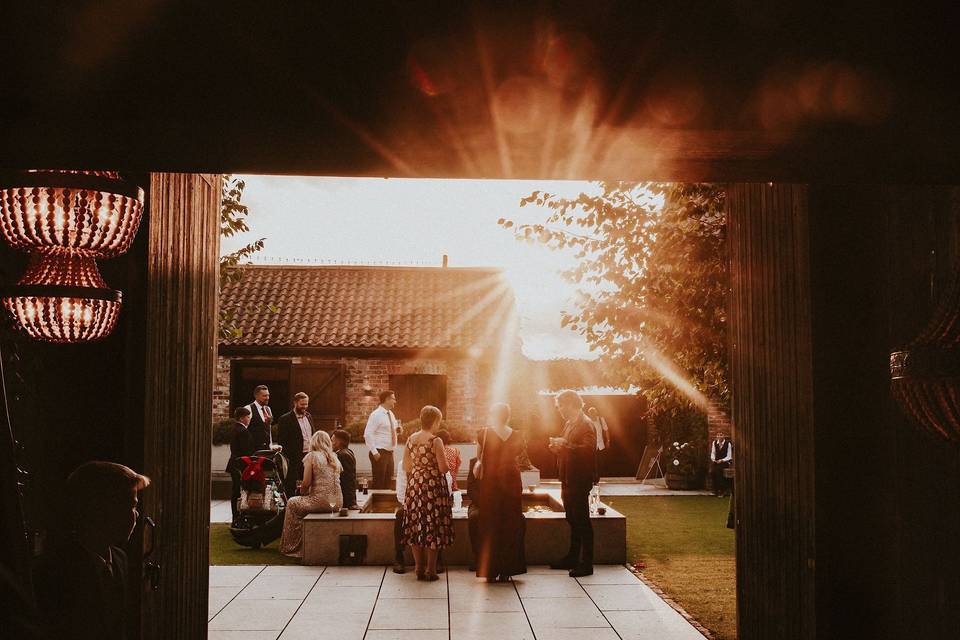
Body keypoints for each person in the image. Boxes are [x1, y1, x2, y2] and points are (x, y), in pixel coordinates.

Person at [34, 461, 151, 640]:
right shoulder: (56, 570)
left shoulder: (119, 560)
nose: (135, 515)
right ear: (100, 509)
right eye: (130, 506)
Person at [473, 403, 528, 582]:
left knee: (490, 523)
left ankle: (490, 569)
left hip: (491, 480)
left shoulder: (484, 433)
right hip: (511, 479)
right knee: (511, 522)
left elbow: (478, 458)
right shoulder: (518, 435)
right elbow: (518, 455)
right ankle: (508, 568)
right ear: (508, 416)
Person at [401, 405, 453, 581]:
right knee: (433, 523)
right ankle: (431, 569)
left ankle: (418, 568)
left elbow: (405, 466)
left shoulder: (411, 439)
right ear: (436, 421)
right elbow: (443, 467)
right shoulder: (435, 440)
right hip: (433, 487)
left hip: (415, 485)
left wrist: (418, 469)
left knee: (416, 523)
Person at [548, 390, 597, 577]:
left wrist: (564, 445)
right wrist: (557, 448)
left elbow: (587, 450)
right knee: (572, 518)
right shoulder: (570, 424)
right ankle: (572, 557)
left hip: (579, 478)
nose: (559, 409)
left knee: (582, 521)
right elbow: (568, 449)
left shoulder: (586, 424)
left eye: (560, 406)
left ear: (570, 404)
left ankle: (587, 564)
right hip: (567, 477)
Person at [280, 430, 343, 557]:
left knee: (292, 503)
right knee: (298, 503)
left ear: (314, 442)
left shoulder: (312, 456)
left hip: (320, 501)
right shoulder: (334, 457)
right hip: (337, 502)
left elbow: (306, 483)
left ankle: (291, 546)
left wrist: (302, 492)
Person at [278, 392, 315, 498]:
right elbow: (282, 441)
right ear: (295, 403)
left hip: (309, 455)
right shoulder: (285, 419)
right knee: (291, 484)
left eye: (306, 404)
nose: (304, 407)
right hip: (294, 458)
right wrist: (290, 457)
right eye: (302, 404)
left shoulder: (309, 416)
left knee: (308, 482)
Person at [226, 406, 256, 524]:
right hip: (241, 465)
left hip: (234, 463)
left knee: (235, 491)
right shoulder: (243, 431)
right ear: (242, 418)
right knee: (241, 491)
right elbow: (246, 450)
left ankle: (235, 515)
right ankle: (240, 516)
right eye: (248, 417)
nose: (249, 419)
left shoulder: (234, 428)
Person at [364, 390, 399, 489]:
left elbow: (393, 430)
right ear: (387, 399)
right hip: (379, 452)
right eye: (393, 399)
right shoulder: (376, 415)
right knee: (379, 483)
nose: (395, 401)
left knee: (389, 482)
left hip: (389, 453)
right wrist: (375, 452)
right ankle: (376, 504)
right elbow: (368, 434)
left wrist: (398, 430)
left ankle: (386, 504)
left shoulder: (391, 414)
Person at [332, 429, 359, 509]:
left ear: (338, 442)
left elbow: (348, 480)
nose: (330, 443)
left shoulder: (342, 455)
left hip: (345, 501)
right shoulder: (348, 452)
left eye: (332, 440)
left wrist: (351, 503)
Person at [246, 385, 275, 451]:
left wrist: (271, 445)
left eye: (268, 395)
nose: (267, 398)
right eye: (264, 396)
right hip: (253, 450)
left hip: (266, 450)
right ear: (256, 396)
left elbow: (268, 429)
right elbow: (244, 430)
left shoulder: (268, 409)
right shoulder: (248, 408)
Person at [587, 406, 610, 484]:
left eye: (593, 413)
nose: (592, 414)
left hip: (600, 445)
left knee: (598, 463)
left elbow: (606, 430)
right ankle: (593, 479)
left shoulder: (600, 419)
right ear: (589, 414)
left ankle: (596, 478)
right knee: (591, 462)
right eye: (591, 413)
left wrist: (608, 440)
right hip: (590, 445)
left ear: (596, 413)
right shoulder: (587, 421)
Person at [710, 432, 733, 496]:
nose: (719, 436)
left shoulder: (728, 444)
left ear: (724, 436)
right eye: (718, 435)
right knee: (712, 472)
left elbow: (729, 456)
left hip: (725, 462)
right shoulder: (714, 443)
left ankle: (722, 490)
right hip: (716, 462)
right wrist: (713, 459)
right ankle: (715, 490)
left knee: (719, 471)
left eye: (721, 435)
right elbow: (713, 452)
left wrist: (722, 460)